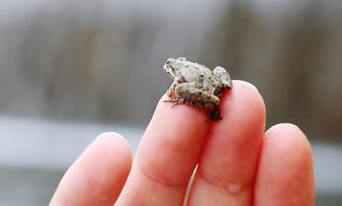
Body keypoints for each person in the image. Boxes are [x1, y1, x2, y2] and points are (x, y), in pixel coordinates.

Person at [50, 81, 315, 206]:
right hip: (213, 82)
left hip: (203, 90)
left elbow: (184, 88)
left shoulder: (179, 80)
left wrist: (179, 97)